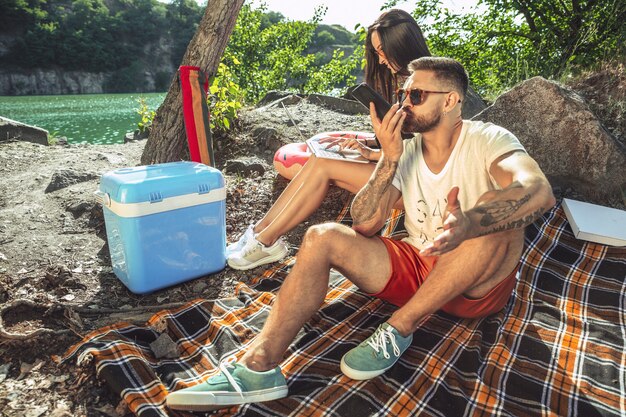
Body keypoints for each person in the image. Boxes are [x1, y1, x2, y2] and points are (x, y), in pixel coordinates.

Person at [166, 57, 556, 411]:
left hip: (472, 286)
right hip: (419, 265)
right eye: (403, 95)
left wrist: (470, 223)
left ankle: (400, 326)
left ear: (451, 101)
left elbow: (537, 190)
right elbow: (366, 224)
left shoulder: (488, 139)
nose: (404, 105)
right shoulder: (407, 150)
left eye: (416, 95)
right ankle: (258, 368)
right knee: (322, 236)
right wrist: (387, 160)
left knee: (500, 213)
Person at [227, 9, 431, 271]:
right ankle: (259, 231)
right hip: (402, 171)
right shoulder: (409, 83)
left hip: (419, 185)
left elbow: (427, 153)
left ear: (401, 44)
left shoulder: (428, 87)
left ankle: (266, 242)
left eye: (382, 51)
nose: (380, 61)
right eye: (377, 52)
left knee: (324, 166)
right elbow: (410, 140)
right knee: (319, 159)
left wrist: (375, 154)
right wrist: (370, 146)